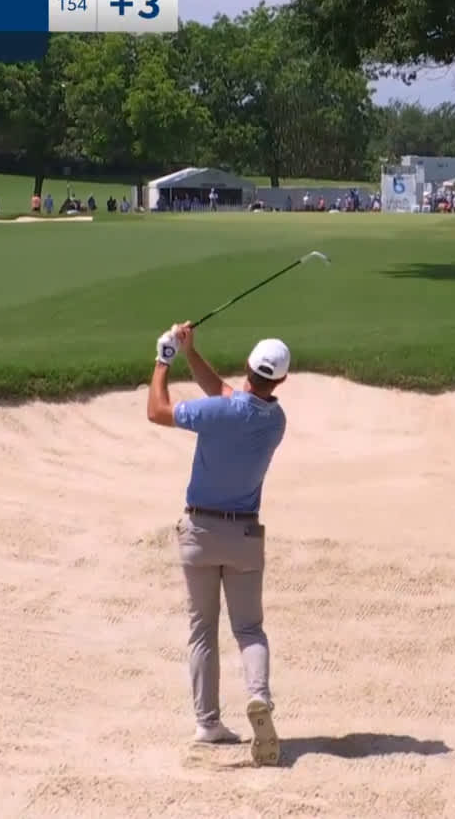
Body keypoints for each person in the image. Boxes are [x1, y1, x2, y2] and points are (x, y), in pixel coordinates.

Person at [146, 323, 290, 767]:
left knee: (202, 630)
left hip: (200, 535)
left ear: (248, 366)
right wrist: (193, 353)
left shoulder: (218, 412)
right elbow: (230, 396)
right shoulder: (275, 421)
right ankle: (259, 698)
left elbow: (157, 410)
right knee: (248, 629)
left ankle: (208, 723)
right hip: (245, 537)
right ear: (280, 381)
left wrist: (163, 358)